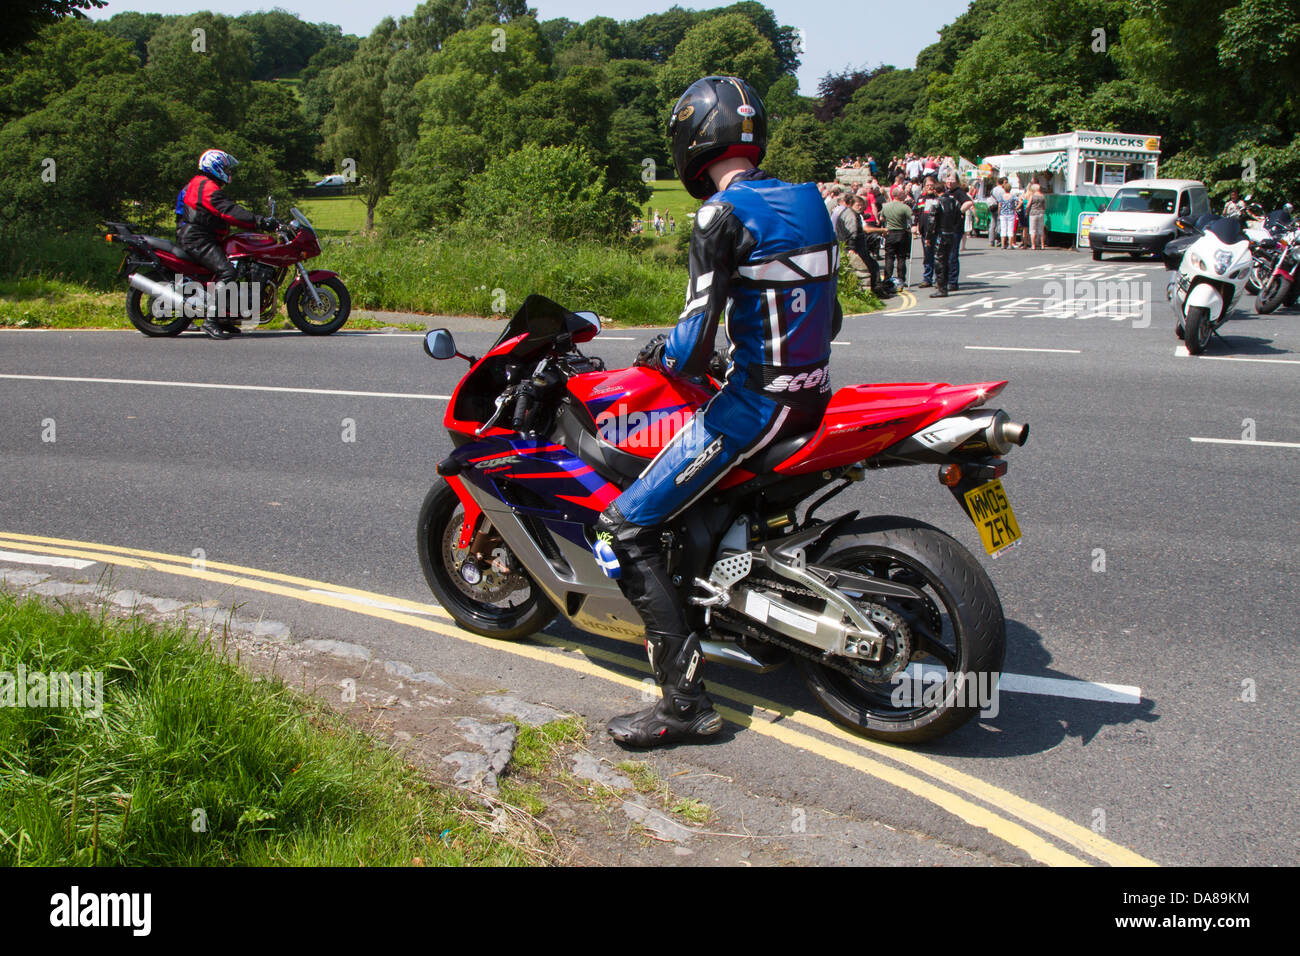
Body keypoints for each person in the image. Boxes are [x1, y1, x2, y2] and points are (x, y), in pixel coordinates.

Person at [596, 75, 839, 748]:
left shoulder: (719, 216)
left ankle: (684, 706)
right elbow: (830, 316)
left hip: (754, 408)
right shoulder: (811, 201)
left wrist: (663, 354)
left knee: (625, 528)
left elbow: (695, 341)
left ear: (693, 139)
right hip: (811, 399)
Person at [175, 149, 276, 339]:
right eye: (226, 168)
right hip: (198, 238)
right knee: (228, 272)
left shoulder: (202, 183)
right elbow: (229, 211)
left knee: (236, 265)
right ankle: (211, 321)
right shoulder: (207, 187)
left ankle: (224, 316)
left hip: (202, 236)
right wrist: (259, 221)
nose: (229, 172)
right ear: (215, 167)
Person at [940, 173, 974, 289]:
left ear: (957, 181)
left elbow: (969, 202)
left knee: (952, 255)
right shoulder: (947, 192)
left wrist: (959, 211)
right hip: (946, 228)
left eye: (952, 179)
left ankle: (953, 282)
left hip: (955, 228)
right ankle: (945, 279)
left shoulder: (958, 192)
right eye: (948, 179)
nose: (949, 181)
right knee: (945, 255)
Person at [882, 185, 913, 289]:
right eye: (903, 193)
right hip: (901, 233)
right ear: (899, 195)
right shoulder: (904, 207)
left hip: (890, 233)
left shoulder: (886, 206)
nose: (904, 195)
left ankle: (887, 278)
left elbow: (882, 217)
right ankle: (901, 279)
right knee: (901, 257)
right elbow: (912, 217)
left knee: (889, 257)